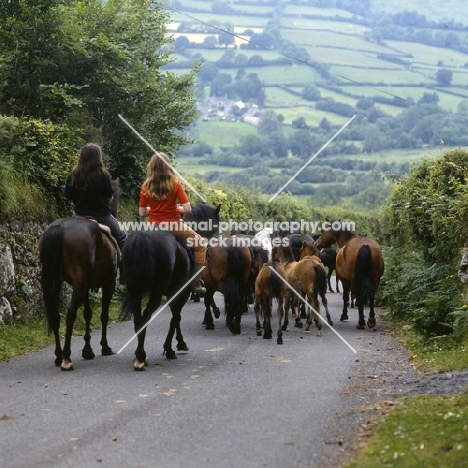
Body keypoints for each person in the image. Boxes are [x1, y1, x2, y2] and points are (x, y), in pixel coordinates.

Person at [138, 152, 207, 295]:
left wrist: (154, 209)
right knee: (201, 244)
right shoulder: (175, 184)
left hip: (154, 227)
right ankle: (195, 283)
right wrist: (175, 208)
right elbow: (187, 209)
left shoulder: (146, 185)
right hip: (174, 226)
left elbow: (142, 213)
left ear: (152, 166)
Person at [65, 142, 127, 253]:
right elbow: (109, 198)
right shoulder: (104, 175)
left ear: (82, 157)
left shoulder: (73, 175)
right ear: (98, 157)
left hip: (79, 215)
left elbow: (69, 197)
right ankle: (124, 268)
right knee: (122, 238)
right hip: (102, 216)